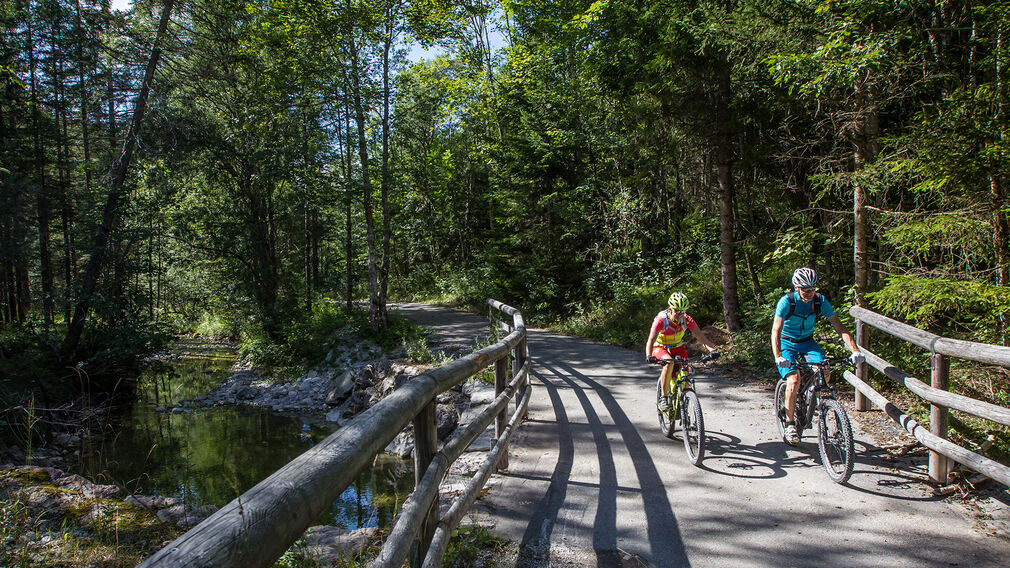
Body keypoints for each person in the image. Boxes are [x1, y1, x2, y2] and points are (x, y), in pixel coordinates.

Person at [771, 267, 865, 445]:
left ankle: (815, 398)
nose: (809, 293)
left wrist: (855, 350)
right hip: (787, 342)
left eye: (812, 289)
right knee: (793, 380)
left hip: (807, 341)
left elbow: (840, 327)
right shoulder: (786, 302)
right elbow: (776, 331)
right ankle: (790, 423)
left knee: (824, 370)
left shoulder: (820, 301)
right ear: (797, 288)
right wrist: (778, 356)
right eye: (806, 289)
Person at [645, 292, 719, 412]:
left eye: (683, 311)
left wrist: (712, 350)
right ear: (670, 309)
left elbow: (701, 337)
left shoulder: (687, 320)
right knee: (669, 364)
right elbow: (650, 339)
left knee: (686, 370)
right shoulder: (661, 320)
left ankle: (685, 398)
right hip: (660, 347)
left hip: (678, 347)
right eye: (677, 311)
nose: (680, 314)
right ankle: (663, 398)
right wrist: (649, 355)